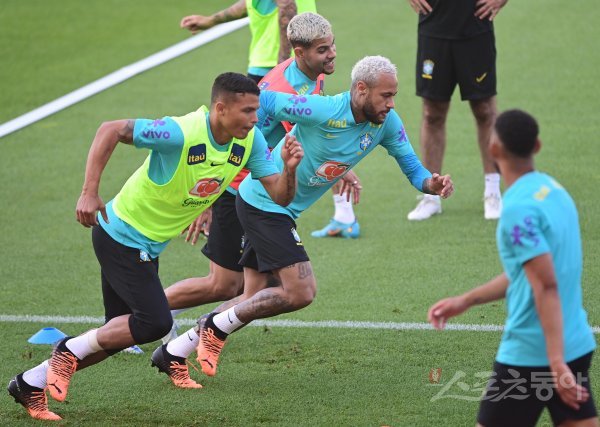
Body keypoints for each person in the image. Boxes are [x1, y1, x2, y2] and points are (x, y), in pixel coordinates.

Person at [6, 72, 304, 421]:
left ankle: (29, 382)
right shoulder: (181, 132)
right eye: (248, 111)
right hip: (120, 236)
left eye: (256, 110)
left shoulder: (250, 141)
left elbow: (279, 195)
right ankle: (67, 350)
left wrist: (289, 169)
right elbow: (110, 129)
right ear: (221, 108)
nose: (255, 119)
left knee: (116, 334)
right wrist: (89, 192)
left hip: (146, 244)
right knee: (154, 322)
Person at [160, 56, 454, 381]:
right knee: (301, 291)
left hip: (280, 209)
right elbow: (264, 100)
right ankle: (212, 328)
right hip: (263, 204)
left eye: (393, 95)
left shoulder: (387, 123)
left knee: (252, 298)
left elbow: (413, 167)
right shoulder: (323, 110)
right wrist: (265, 147)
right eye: (385, 96)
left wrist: (431, 184)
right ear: (361, 89)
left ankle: (174, 351)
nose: (391, 103)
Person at [153, 12, 350, 377]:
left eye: (332, 45)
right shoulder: (285, 90)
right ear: (300, 51)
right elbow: (300, 139)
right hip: (238, 189)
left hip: (259, 189)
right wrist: (208, 201)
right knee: (224, 284)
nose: (333, 53)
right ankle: (143, 317)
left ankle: (181, 345)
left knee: (254, 288)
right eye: (324, 49)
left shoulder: (313, 71)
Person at [428, 110, 597, 426]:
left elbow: (545, 284)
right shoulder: (554, 190)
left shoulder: (518, 209)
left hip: (533, 352)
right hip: (575, 342)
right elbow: (529, 274)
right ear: (537, 145)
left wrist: (554, 362)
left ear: (493, 149)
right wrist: (466, 300)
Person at [406, 0, 508, 221]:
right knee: (432, 113)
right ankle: (431, 196)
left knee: (484, 110)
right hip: (433, 23)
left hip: (476, 23)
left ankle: (493, 192)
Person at [180, 0, 316, 83]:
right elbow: (252, 3)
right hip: (307, 59)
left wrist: (282, 66)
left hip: (273, 66)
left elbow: (287, 9)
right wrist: (211, 20)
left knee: (255, 119)